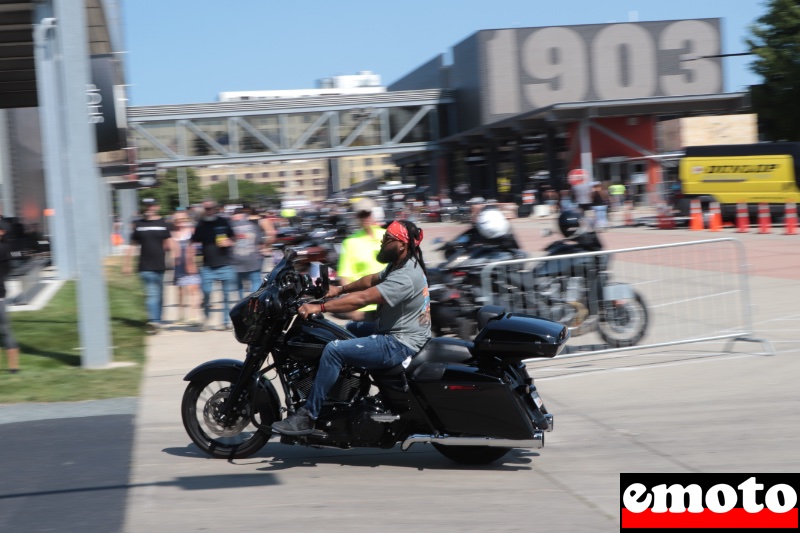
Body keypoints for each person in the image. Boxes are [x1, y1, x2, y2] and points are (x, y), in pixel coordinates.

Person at [272, 220, 431, 435]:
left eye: (388, 239)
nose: (382, 242)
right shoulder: (401, 263)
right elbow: (371, 280)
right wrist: (339, 289)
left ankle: (308, 416)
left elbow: (363, 299)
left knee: (334, 350)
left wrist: (319, 306)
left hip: (399, 343)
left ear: (402, 244)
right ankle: (350, 392)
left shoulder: (406, 276)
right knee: (348, 329)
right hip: (398, 332)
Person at [123, 198, 174, 334]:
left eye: (151, 205)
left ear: (156, 207)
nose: (149, 208)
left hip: (160, 265)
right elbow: (132, 245)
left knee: (160, 295)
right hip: (145, 266)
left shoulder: (163, 223)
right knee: (152, 294)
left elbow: (169, 241)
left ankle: (158, 319)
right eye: (146, 206)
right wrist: (126, 264)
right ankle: (154, 321)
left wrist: (174, 256)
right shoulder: (139, 224)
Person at [188, 199, 237, 331]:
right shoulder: (201, 224)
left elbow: (234, 237)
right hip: (207, 266)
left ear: (216, 208)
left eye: (210, 208)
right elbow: (193, 243)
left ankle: (226, 322)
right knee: (207, 293)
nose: (208, 210)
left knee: (227, 296)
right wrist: (191, 262)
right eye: (206, 208)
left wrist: (229, 242)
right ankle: (206, 319)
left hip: (225, 264)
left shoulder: (223, 221)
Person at [336, 198, 385, 322]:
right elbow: (345, 277)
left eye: (367, 213)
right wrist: (353, 306)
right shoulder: (350, 243)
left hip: (388, 302)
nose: (365, 218)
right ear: (357, 217)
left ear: (373, 213)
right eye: (361, 215)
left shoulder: (386, 235)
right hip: (364, 305)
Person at [170, 209, 201, 325]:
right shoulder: (172, 234)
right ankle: (181, 315)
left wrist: (193, 263)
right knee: (180, 292)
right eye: (177, 220)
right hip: (178, 267)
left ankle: (194, 315)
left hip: (191, 265)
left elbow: (196, 249)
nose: (180, 221)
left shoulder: (191, 232)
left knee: (194, 290)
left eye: (183, 219)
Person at [230, 206, 266, 299]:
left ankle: (241, 303)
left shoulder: (230, 226)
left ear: (234, 216)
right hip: (253, 259)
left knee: (239, 284)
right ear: (244, 215)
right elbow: (259, 241)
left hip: (236, 260)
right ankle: (253, 302)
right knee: (255, 281)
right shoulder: (253, 225)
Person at [0, 222, 19, 373]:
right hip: (1, 295)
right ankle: (14, 368)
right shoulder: (7, 248)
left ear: (2, 232)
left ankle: (13, 367)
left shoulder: (3, 248)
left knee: (5, 331)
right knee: (6, 331)